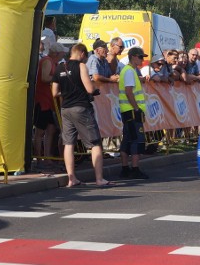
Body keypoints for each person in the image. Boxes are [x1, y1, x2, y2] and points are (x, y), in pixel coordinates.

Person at [51, 43, 113, 188]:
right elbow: (89, 88)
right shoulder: (81, 66)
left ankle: (71, 178)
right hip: (81, 107)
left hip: (65, 108)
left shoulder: (60, 67)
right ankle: (99, 178)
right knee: (95, 143)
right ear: (83, 54)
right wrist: (93, 90)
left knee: (69, 143)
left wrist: (66, 93)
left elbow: (54, 93)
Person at [117, 47, 149, 180]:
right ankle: (135, 169)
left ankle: (125, 169)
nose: (142, 60)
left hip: (127, 110)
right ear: (134, 57)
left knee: (127, 139)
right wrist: (136, 108)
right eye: (141, 57)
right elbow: (129, 91)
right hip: (132, 111)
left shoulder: (128, 70)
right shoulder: (129, 71)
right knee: (136, 140)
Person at [33, 38, 61, 172]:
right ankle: (39, 159)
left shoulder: (52, 62)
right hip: (42, 101)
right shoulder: (47, 61)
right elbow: (44, 78)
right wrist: (60, 78)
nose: (63, 57)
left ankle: (48, 158)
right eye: (61, 54)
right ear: (56, 53)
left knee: (51, 129)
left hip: (49, 101)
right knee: (40, 131)